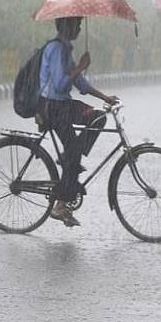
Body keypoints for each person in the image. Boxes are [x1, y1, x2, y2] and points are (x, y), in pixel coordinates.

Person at [38, 16, 118, 227]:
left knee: (98, 116)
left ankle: (68, 159)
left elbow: (80, 83)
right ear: (67, 26)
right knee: (74, 154)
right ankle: (60, 205)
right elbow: (59, 84)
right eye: (77, 25)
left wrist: (105, 98)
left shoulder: (65, 49)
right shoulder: (56, 49)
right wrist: (80, 66)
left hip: (63, 104)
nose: (80, 29)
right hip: (53, 107)